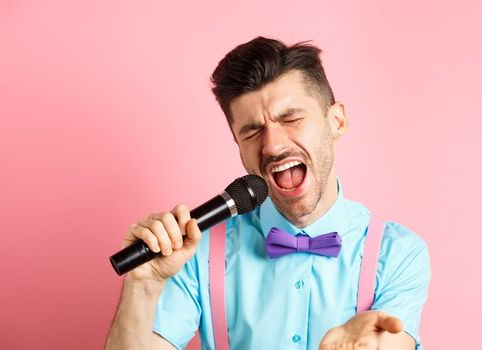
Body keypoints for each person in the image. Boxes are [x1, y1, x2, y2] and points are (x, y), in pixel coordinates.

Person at [105, 36, 431, 350]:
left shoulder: (397, 253)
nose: (272, 145)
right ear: (239, 148)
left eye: (290, 117)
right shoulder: (196, 253)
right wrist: (143, 285)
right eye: (252, 131)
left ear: (337, 121)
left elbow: (392, 339)